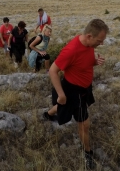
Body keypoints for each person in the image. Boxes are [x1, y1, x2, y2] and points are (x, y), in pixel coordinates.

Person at [44, 19, 109, 170]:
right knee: (84, 124)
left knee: (63, 106)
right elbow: (53, 71)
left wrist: (95, 61)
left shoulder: (88, 43)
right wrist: (61, 94)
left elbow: (84, 61)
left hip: (84, 88)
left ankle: (48, 114)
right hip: (73, 90)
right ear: (89, 36)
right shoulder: (71, 50)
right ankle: (87, 153)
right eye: (99, 41)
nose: (101, 44)